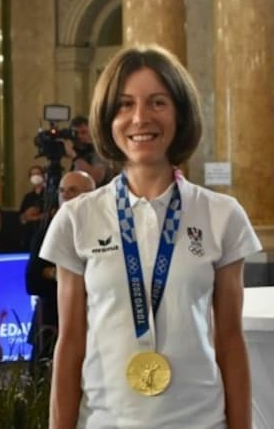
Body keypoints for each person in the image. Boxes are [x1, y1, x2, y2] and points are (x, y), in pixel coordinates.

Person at [42, 45, 261, 429]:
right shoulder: (77, 218)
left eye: (157, 102)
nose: (140, 118)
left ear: (179, 113)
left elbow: (231, 342)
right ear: (108, 119)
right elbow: (70, 344)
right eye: (125, 105)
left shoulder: (222, 215)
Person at [25, 171, 95, 376]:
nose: (65, 196)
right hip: (49, 325)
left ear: (92, 194)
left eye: (73, 191)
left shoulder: (104, 230)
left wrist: (53, 273)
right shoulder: (47, 230)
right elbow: (33, 281)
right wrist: (70, 276)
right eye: (62, 191)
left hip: (92, 328)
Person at [19, 165, 46, 250]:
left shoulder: (49, 195)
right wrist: (27, 214)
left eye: (38, 173)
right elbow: (22, 218)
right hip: (29, 235)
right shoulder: (28, 197)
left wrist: (34, 217)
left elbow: (51, 214)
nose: (35, 176)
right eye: (32, 174)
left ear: (43, 175)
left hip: (45, 235)